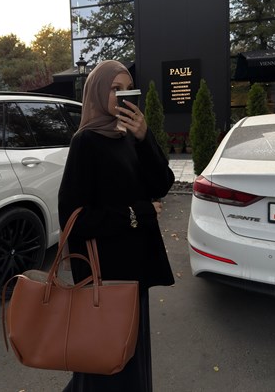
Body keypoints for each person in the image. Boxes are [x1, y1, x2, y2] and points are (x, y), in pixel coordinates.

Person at [59, 60, 175, 392]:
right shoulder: (86, 142)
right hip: (106, 275)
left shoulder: (127, 136)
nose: (123, 96)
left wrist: (145, 137)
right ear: (97, 92)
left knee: (128, 354)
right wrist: (137, 213)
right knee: (107, 358)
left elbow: (162, 183)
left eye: (128, 89)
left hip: (134, 272)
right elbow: (74, 218)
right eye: (115, 89)